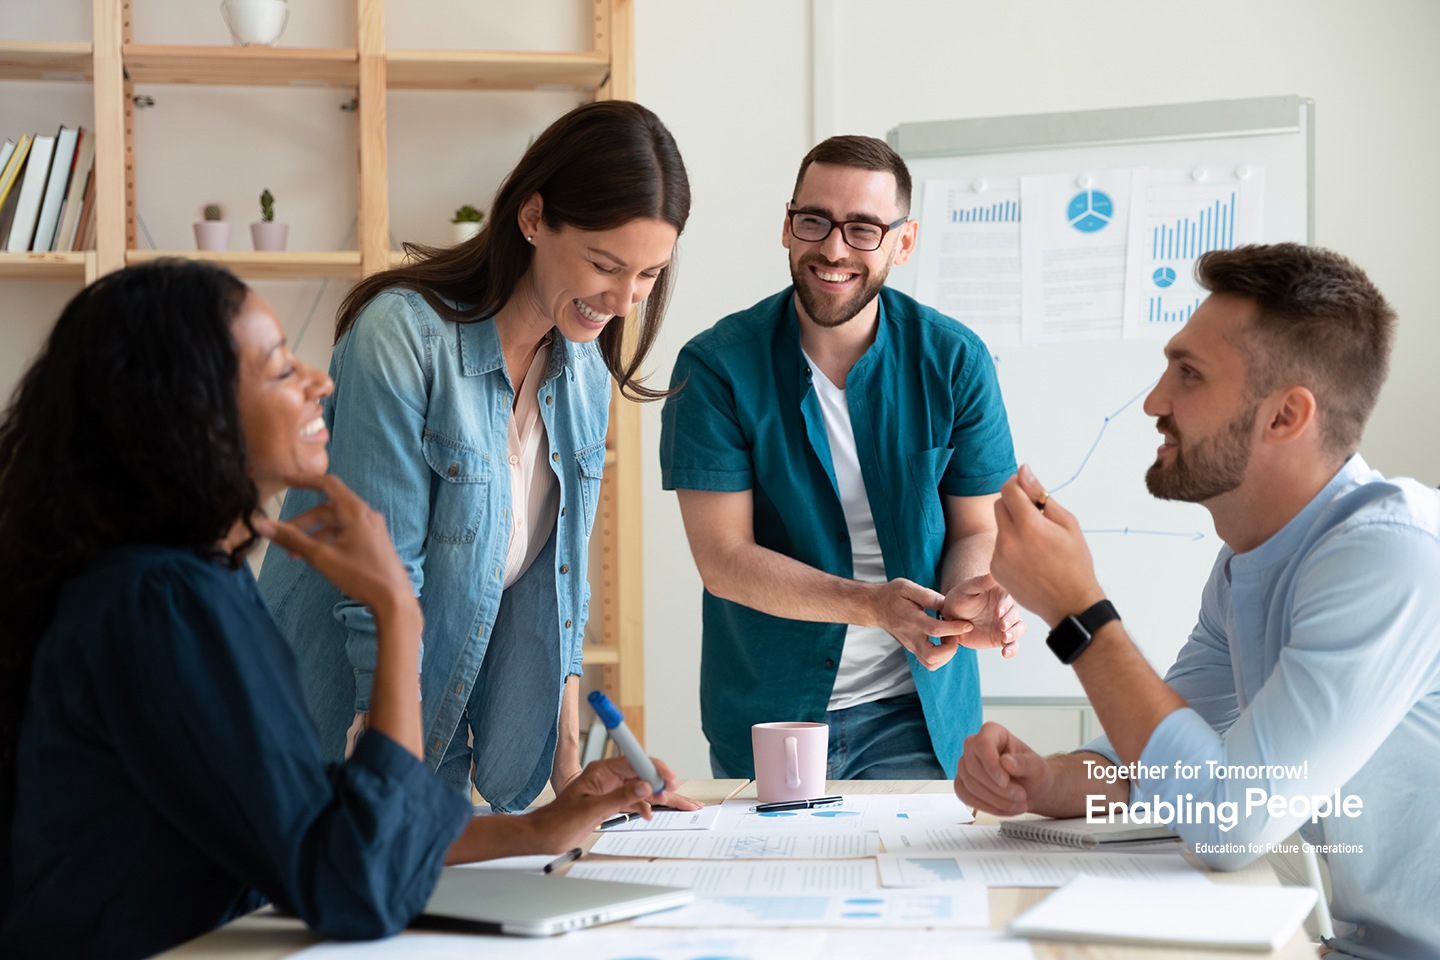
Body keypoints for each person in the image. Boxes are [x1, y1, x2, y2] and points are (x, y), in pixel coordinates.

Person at [0, 262, 681, 959]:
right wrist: (395, 612)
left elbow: (317, 813)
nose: (318, 383)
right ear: (190, 414)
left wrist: (540, 830)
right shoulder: (163, 603)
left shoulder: (189, 582)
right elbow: (358, 882)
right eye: (278, 369)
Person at [957, 243, 1440, 960]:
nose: (1155, 402)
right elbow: (1168, 761)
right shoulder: (1249, 562)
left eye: (1188, 374)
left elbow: (1226, 816)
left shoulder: (1390, 557)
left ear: (1284, 416)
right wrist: (1049, 781)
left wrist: (1077, 610)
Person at [258, 100, 698, 812]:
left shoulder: (583, 369)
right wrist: (385, 771)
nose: (623, 300)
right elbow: (381, 578)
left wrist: (571, 773)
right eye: (603, 265)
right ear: (532, 218)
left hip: (437, 744)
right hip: (332, 735)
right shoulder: (402, 338)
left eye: (648, 275)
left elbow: (563, 583)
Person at [659, 135, 1024, 781]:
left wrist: (962, 602)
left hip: (916, 710)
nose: (833, 248)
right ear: (787, 226)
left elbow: (977, 527)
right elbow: (724, 561)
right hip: (770, 714)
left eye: (863, 229)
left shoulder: (955, 360)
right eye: (814, 221)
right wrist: (873, 605)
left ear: (902, 244)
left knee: (915, 882)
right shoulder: (715, 367)